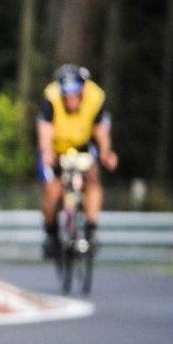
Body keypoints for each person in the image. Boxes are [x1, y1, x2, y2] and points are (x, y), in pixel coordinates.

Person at [35, 64, 120, 257]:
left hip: (82, 146)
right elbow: (45, 131)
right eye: (67, 96)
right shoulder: (51, 97)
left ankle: (90, 229)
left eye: (75, 95)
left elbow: (101, 130)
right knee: (53, 192)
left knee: (93, 180)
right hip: (56, 149)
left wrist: (106, 152)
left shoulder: (95, 97)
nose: (71, 100)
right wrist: (47, 153)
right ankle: (52, 234)